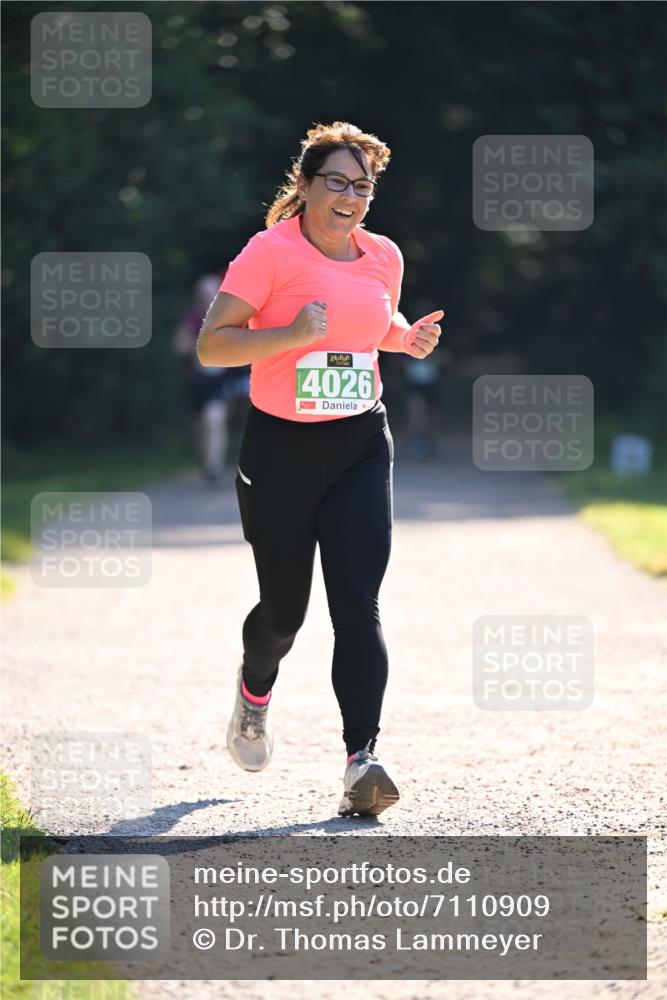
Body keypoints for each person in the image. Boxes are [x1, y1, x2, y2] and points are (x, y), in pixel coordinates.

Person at [197, 121, 443, 816]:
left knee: (357, 606)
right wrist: (290, 335)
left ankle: (361, 761)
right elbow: (213, 347)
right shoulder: (269, 253)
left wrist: (406, 338)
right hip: (280, 450)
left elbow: (372, 324)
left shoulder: (383, 254)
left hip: (361, 443)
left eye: (363, 186)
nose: (350, 196)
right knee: (284, 612)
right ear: (304, 186)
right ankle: (254, 693)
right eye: (336, 181)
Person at [173, 273, 249, 485]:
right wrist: (202, 343)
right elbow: (179, 347)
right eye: (204, 294)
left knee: (214, 419)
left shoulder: (229, 318)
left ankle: (213, 468)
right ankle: (207, 462)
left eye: (212, 293)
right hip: (196, 381)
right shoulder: (191, 318)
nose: (208, 297)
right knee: (200, 425)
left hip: (220, 381)